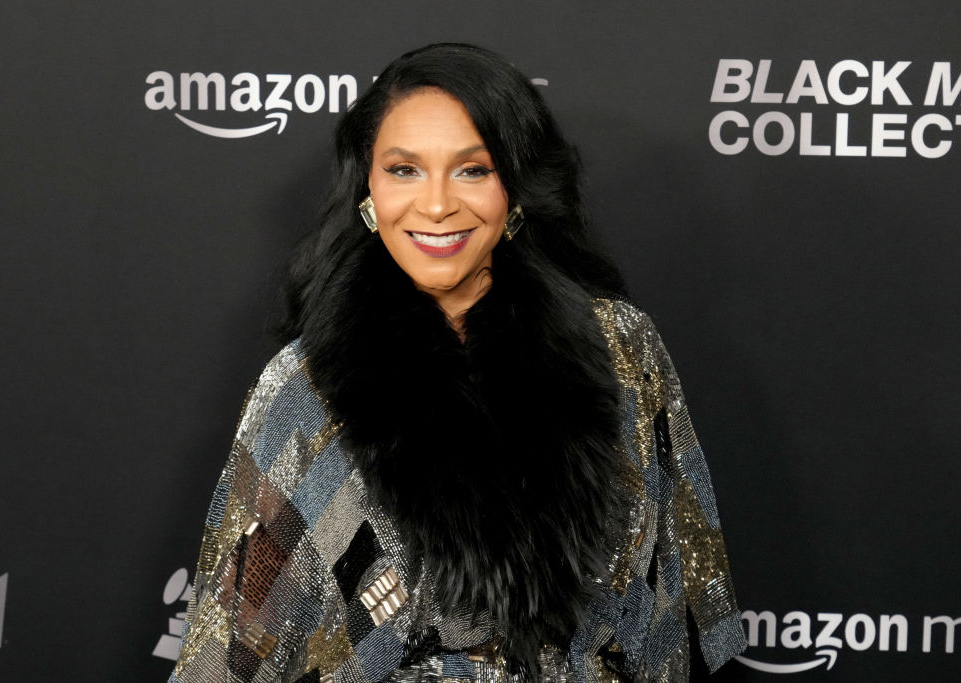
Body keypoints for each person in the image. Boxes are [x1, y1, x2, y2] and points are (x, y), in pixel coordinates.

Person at [170, 43, 746, 683]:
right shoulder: (304, 386)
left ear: (515, 189)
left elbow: (676, 608)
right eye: (405, 170)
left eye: (472, 170)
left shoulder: (621, 349)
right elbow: (233, 653)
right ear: (368, 190)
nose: (438, 204)